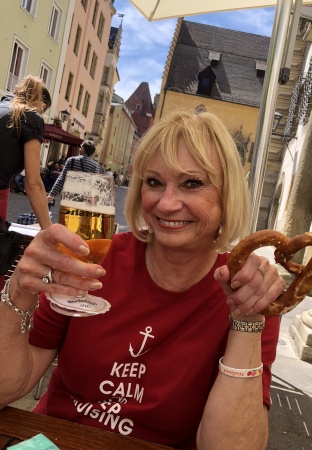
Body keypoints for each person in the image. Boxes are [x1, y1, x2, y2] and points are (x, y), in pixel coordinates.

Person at [0, 110, 285, 449]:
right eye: (154, 182)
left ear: (227, 195)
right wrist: (17, 292)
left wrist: (246, 321)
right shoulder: (94, 261)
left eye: (192, 183)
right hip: (55, 442)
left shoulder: (247, 293)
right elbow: (7, 387)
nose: (166, 204)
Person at [0, 75, 52, 230]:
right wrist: (49, 231)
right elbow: (33, 184)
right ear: (42, 106)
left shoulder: (3, 107)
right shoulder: (31, 117)